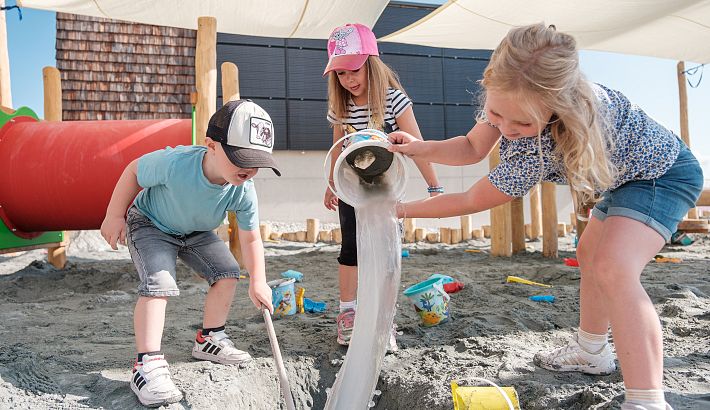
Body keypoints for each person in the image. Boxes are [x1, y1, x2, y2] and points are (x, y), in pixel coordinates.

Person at [387, 23, 703, 410]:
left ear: (559, 106)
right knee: (589, 254)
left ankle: (647, 400)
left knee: (613, 267)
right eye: (496, 114)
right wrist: (419, 149)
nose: (506, 129)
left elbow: (472, 199)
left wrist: (401, 209)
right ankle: (591, 350)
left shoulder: (548, 140)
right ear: (490, 86)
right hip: (626, 179)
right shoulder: (511, 98)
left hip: (663, 175)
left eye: (522, 123)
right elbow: (471, 147)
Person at [100, 100, 280, 407]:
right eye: (241, 158)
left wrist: (258, 280)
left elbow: (251, 239)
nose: (248, 170)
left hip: (195, 232)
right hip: (151, 224)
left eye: (256, 161)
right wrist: (114, 215)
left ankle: (210, 339)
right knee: (159, 283)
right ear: (211, 145)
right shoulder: (176, 163)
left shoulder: (243, 190)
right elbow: (133, 171)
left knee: (227, 273)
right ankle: (147, 365)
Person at [322, 23, 442, 347]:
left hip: (387, 186)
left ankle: (382, 318)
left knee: (386, 251)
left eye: (354, 71)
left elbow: (418, 145)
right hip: (352, 186)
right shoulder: (341, 105)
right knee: (351, 248)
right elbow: (337, 147)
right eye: (341, 74)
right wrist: (332, 185)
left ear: (371, 64)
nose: (349, 80)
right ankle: (348, 313)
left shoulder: (393, 100)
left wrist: (434, 187)